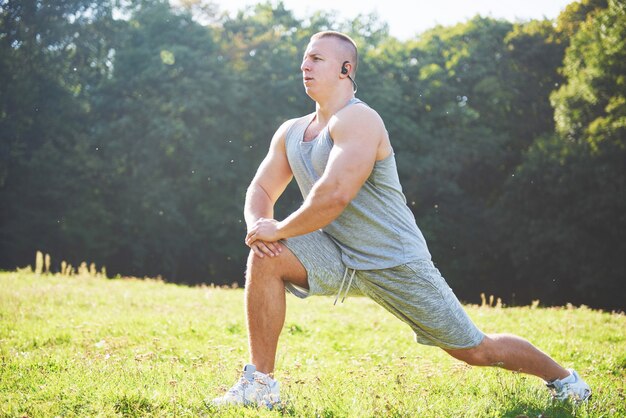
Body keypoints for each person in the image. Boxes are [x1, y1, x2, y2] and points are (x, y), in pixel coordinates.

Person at [211, 30, 591, 408]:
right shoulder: (291, 131)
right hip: (337, 252)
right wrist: (259, 229)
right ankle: (260, 385)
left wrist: (277, 228)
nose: (304, 65)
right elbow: (261, 190)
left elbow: (334, 195)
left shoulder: (359, 120)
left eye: (316, 59)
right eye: (305, 58)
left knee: (476, 350)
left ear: (345, 69)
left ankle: (565, 380)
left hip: (394, 259)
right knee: (266, 257)